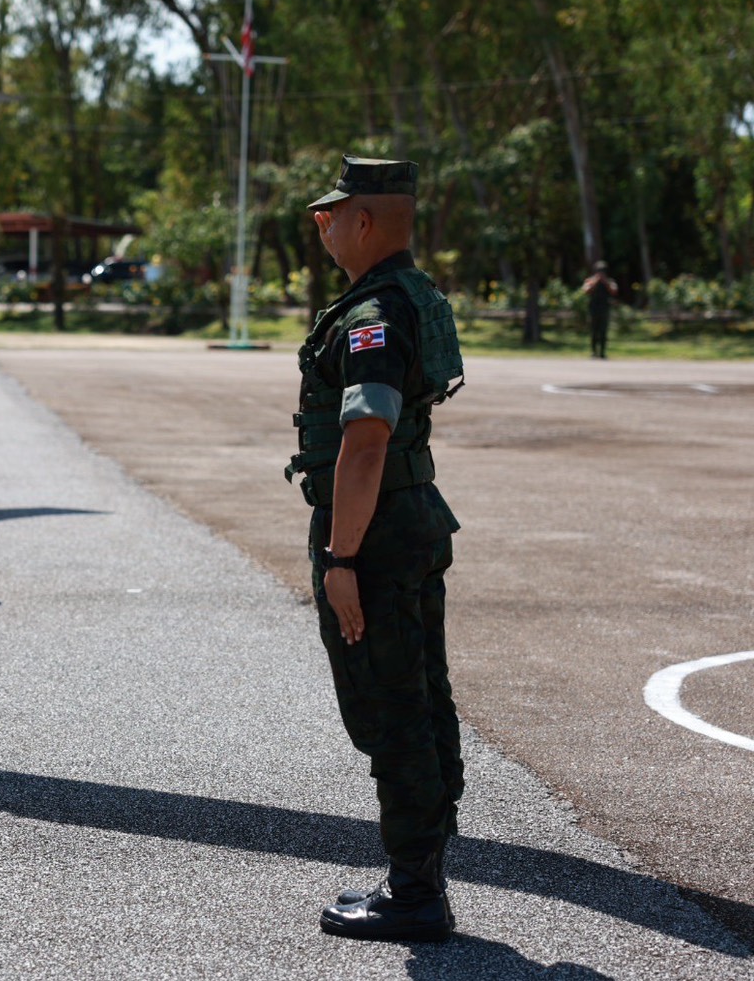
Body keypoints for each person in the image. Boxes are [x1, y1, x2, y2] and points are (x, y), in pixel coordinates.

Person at [284, 155, 465, 942]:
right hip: (410, 517)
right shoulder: (408, 294)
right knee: (419, 697)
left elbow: (364, 441)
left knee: (390, 707)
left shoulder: (373, 314)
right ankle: (420, 873)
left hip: (376, 532)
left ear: (363, 220)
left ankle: (414, 890)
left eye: (332, 215)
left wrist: (340, 559)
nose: (322, 227)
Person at [581, 261, 619, 359]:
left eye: (603, 270)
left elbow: (614, 291)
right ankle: (594, 352)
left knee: (603, 331)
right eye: (599, 270)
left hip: (604, 309)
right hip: (593, 308)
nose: (601, 272)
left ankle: (602, 352)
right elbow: (585, 290)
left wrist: (605, 282)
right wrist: (596, 281)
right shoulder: (590, 280)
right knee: (593, 331)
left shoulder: (610, 281)